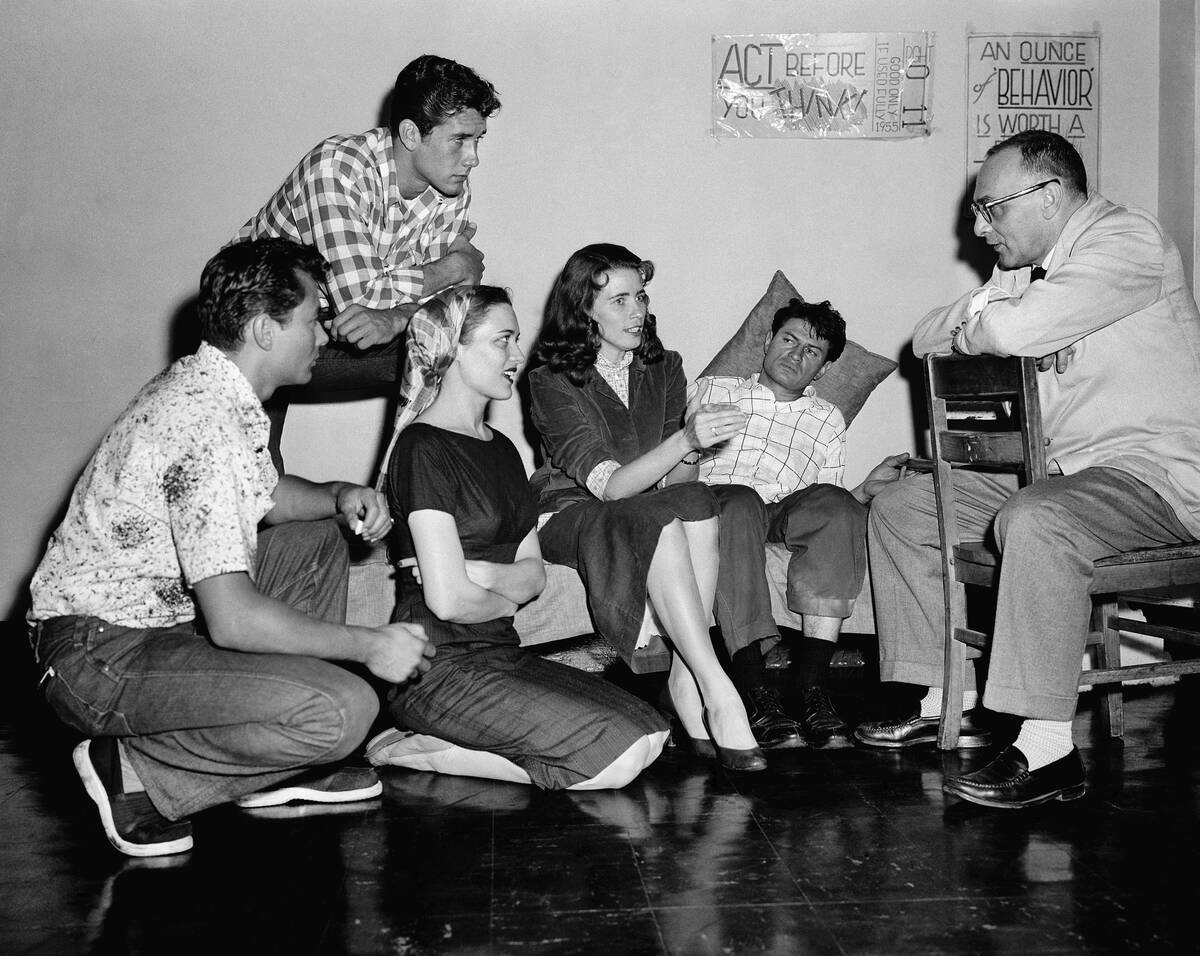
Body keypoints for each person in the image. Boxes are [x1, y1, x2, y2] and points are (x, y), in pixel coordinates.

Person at [26, 238, 435, 857]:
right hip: (97, 652)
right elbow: (235, 618)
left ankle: (277, 759)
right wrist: (372, 644)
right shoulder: (205, 423)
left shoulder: (217, 388)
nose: (324, 337)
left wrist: (338, 492)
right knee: (344, 712)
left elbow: (266, 496)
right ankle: (138, 769)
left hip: (153, 625)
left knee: (316, 538)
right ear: (264, 330)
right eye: (312, 320)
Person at [854, 130, 1200, 808]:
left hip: (1158, 477)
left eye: (993, 209)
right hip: (1073, 474)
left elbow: (1006, 338)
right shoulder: (1029, 273)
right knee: (902, 507)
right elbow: (925, 341)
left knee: (1038, 520)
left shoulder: (1127, 241)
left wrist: (1006, 319)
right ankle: (952, 698)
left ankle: (1050, 751)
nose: (981, 228)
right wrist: (1003, 306)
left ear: (1047, 197)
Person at [363, 286, 669, 789]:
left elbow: (534, 576)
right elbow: (448, 602)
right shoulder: (420, 446)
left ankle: (469, 742)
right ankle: (417, 752)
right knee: (616, 760)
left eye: (516, 340)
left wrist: (482, 576)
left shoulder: (502, 448)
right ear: (451, 348)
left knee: (652, 732)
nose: (517, 355)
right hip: (435, 668)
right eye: (502, 340)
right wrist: (503, 598)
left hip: (500, 654)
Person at [528, 243, 766, 771]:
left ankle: (683, 678)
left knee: (700, 497)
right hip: (570, 511)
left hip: (647, 507)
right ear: (582, 309)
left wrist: (695, 448)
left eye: (640, 296)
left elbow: (679, 481)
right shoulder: (551, 380)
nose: (637, 311)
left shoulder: (665, 367)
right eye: (619, 301)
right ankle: (718, 689)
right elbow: (609, 489)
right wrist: (683, 440)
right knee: (660, 513)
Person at [234, 54, 501, 469]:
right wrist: (453, 268)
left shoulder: (450, 190)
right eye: (460, 140)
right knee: (251, 485)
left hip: (326, 325)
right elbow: (363, 297)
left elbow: (451, 313)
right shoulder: (338, 168)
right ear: (411, 134)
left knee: (458, 345)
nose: (473, 158)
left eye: (477, 140)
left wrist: (398, 318)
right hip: (250, 332)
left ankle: (427, 510)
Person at [688, 297, 908, 749]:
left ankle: (812, 688)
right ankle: (755, 692)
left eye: (812, 351)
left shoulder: (826, 419)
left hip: (783, 509)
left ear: (823, 369)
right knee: (741, 502)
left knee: (839, 505)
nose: (795, 354)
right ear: (767, 341)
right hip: (722, 503)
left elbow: (825, 502)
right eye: (789, 339)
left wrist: (863, 494)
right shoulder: (715, 390)